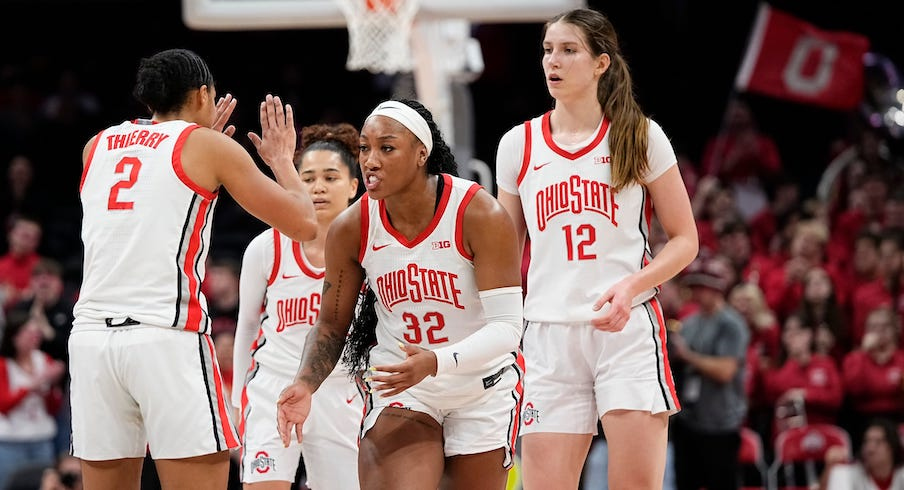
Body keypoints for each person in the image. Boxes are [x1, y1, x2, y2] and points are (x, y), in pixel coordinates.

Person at [68, 48, 318, 490]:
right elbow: (303, 223)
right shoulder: (206, 146)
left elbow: (150, 192)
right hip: (165, 336)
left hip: (91, 343)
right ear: (203, 94)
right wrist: (280, 161)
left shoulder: (97, 145)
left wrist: (204, 148)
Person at [493, 7, 698, 489]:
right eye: (547, 50)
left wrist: (634, 285)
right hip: (546, 335)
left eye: (568, 51)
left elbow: (685, 240)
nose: (553, 62)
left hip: (624, 331)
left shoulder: (641, 135)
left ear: (601, 63)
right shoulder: (518, 145)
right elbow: (503, 254)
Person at [276, 98, 524, 489]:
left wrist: (436, 361)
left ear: (421, 153)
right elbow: (330, 324)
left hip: (482, 388)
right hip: (403, 387)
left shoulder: (479, 213)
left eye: (386, 148)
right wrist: (305, 383)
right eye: (364, 149)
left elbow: (509, 328)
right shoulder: (352, 227)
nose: (371, 160)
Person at [232, 123, 362, 489]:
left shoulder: (368, 248)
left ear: (353, 187)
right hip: (273, 386)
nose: (318, 187)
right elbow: (246, 326)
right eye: (307, 178)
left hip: (341, 388)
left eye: (330, 177)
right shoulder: (265, 247)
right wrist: (238, 399)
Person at [668, 256, 750, 490]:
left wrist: (687, 356)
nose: (696, 292)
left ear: (716, 289)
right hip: (689, 421)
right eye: (694, 286)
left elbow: (726, 371)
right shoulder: (690, 322)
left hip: (720, 424)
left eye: (701, 286)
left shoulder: (731, 324)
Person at [0, 309, 66, 490]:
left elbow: (53, 408)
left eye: (36, 334)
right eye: (28, 333)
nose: (34, 338)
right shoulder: (4, 364)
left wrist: (52, 386)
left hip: (41, 439)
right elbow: (3, 404)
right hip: (11, 442)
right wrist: (33, 385)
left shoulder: (43, 360)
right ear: (14, 336)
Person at [820, 418, 904, 490]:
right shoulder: (845, 473)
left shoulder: (901, 474)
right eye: (867, 441)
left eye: (878, 442)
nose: (870, 448)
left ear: (892, 446)